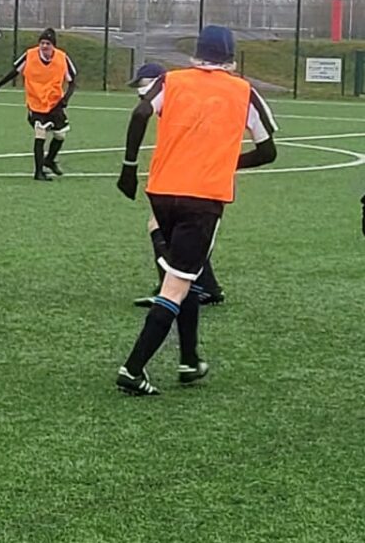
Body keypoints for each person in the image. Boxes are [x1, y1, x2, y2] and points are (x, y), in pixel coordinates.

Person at [113, 26, 278, 396]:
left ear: (196, 54)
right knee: (177, 284)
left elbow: (141, 113)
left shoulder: (172, 81)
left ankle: (189, 359)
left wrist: (127, 167)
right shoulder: (243, 91)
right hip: (202, 200)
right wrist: (228, 161)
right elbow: (269, 151)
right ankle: (133, 369)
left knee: (185, 275)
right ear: (231, 58)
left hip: (161, 192)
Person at [126, 62, 225, 309]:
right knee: (192, 234)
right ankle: (208, 287)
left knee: (162, 227)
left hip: (189, 179)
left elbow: (142, 115)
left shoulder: (172, 99)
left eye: (142, 85)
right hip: (200, 176)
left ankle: (169, 289)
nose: (140, 92)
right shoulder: (180, 99)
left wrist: (129, 165)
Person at [0, 27, 78, 181]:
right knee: (40, 132)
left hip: (54, 103)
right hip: (35, 102)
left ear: (53, 45)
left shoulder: (62, 58)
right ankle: (38, 172)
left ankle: (49, 160)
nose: (44, 46)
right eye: (41, 42)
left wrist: (65, 99)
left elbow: (73, 81)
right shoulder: (30, 55)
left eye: (47, 43)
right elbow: (14, 71)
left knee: (60, 135)